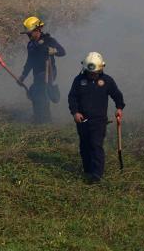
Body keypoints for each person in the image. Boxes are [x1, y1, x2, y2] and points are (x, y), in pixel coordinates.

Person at [68, 52, 124, 183]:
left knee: (96, 144)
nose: (92, 75)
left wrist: (119, 108)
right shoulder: (78, 81)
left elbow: (116, 95)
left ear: (101, 69)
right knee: (84, 145)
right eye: (90, 72)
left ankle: (96, 175)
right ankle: (87, 170)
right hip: (82, 120)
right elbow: (72, 98)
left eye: (95, 72)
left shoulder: (107, 81)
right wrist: (75, 112)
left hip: (99, 120)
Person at [18, 16, 66, 123]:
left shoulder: (49, 40)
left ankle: (45, 120)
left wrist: (53, 51)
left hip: (48, 72)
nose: (28, 36)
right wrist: (23, 75)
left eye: (30, 33)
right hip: (37, 74)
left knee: (41, 94)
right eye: (27, 34)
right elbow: (29, 61)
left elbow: (62, 52)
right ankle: (39, 117)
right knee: (35, 93)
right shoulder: (30, 44)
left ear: (38, 30)